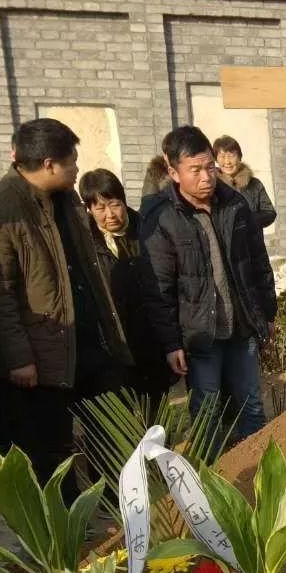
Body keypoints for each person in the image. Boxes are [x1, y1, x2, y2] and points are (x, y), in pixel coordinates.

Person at [0, 118, 131, 483]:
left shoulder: (68, 198)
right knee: (53, 453)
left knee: (113, 437)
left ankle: (119, 506)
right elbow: (0, 293)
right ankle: (69, 517)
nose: (77, 169)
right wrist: (20, 359)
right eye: (72, 161)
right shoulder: (4, 208)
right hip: (41, 358)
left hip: (89, 341)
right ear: (49, 164)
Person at [140, 125, 276, 445]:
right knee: (206, 412)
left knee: (252, 405)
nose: (206, 177)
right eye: (195, 170)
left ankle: (263, 466)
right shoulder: (161, 216)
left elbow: (258, 262)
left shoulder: (235, 204)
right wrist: (171, 343)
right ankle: (212, 469)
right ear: (173, 172)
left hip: (241, 326)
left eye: (210, 167)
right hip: (200, 334)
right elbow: (159, 288)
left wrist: (267, 313)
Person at [79, 168, 173, 415]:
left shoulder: (148, 231)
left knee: (156, 416)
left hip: (150, 341)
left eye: (115, 205)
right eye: (100, 208)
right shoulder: (84, 243)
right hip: (112, 346)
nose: (110, 215)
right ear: (89, 209)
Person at [213, 136, 277, 231]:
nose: (227, 162)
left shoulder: (254, 184)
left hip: (251, 238)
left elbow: (269, 212)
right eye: (222, 156)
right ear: (216, 159)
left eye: (231, 156)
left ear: (240, 157)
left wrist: (249, 220)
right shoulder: (212, 186)